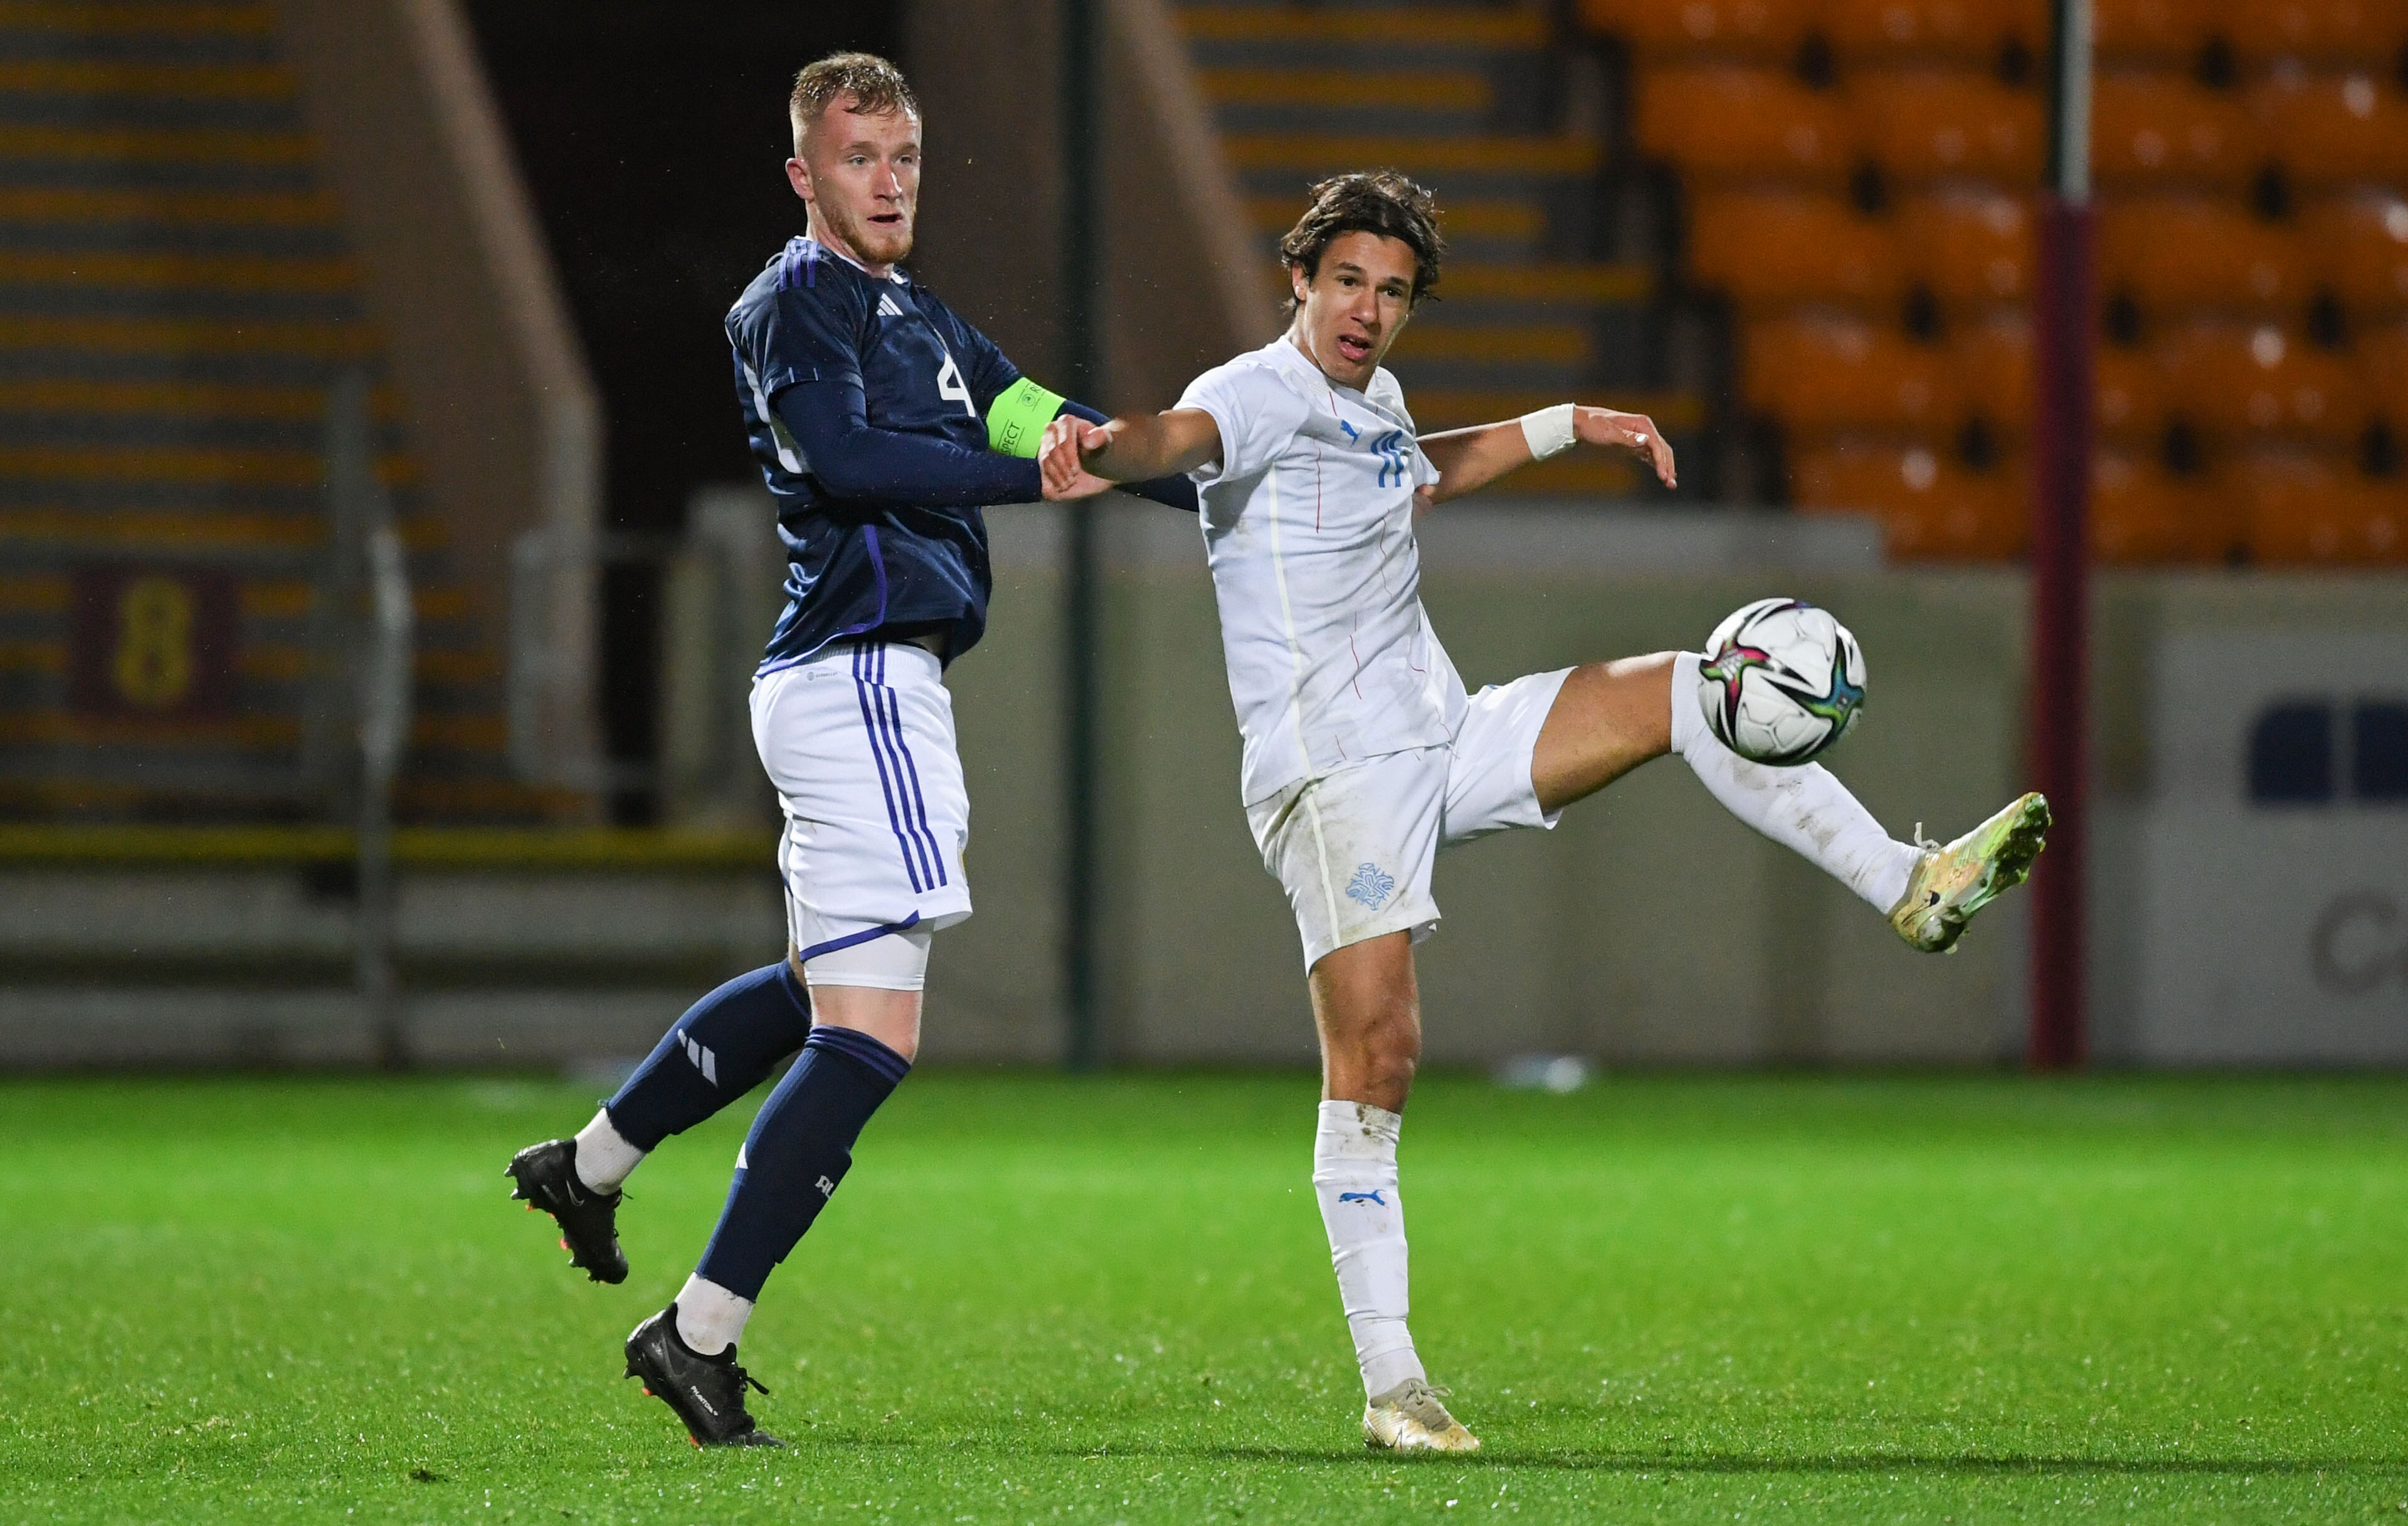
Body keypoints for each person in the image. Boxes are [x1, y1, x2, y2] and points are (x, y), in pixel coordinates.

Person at [1038, 169, 2049, 1454]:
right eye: (1346, 281)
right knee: (1379, 1061)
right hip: (1333, 774)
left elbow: (1420, 471)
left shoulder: (1375, 400)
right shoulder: (1255, 391)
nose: (1366, 310)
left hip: (1444, 733)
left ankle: (1909, 885)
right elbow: (1170, 438)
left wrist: (1575, 421)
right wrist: (1097, 448)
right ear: (1299, 278)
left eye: (1392, 292)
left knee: (1690, 689)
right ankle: (1394, 1384)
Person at [504, 51, 1183, 1449]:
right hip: (859, 674)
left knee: (823, 988)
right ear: (804, 176)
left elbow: (1068, 432)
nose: (889, 182)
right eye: (859, 158)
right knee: (871, 1035)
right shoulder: (791, 302)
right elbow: (849, 460)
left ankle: (589, 1163)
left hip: (858, 680)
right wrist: (1033, 478)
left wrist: (1241, 480)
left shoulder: (925, 319)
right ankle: (698, 1333)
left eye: (905, 156)